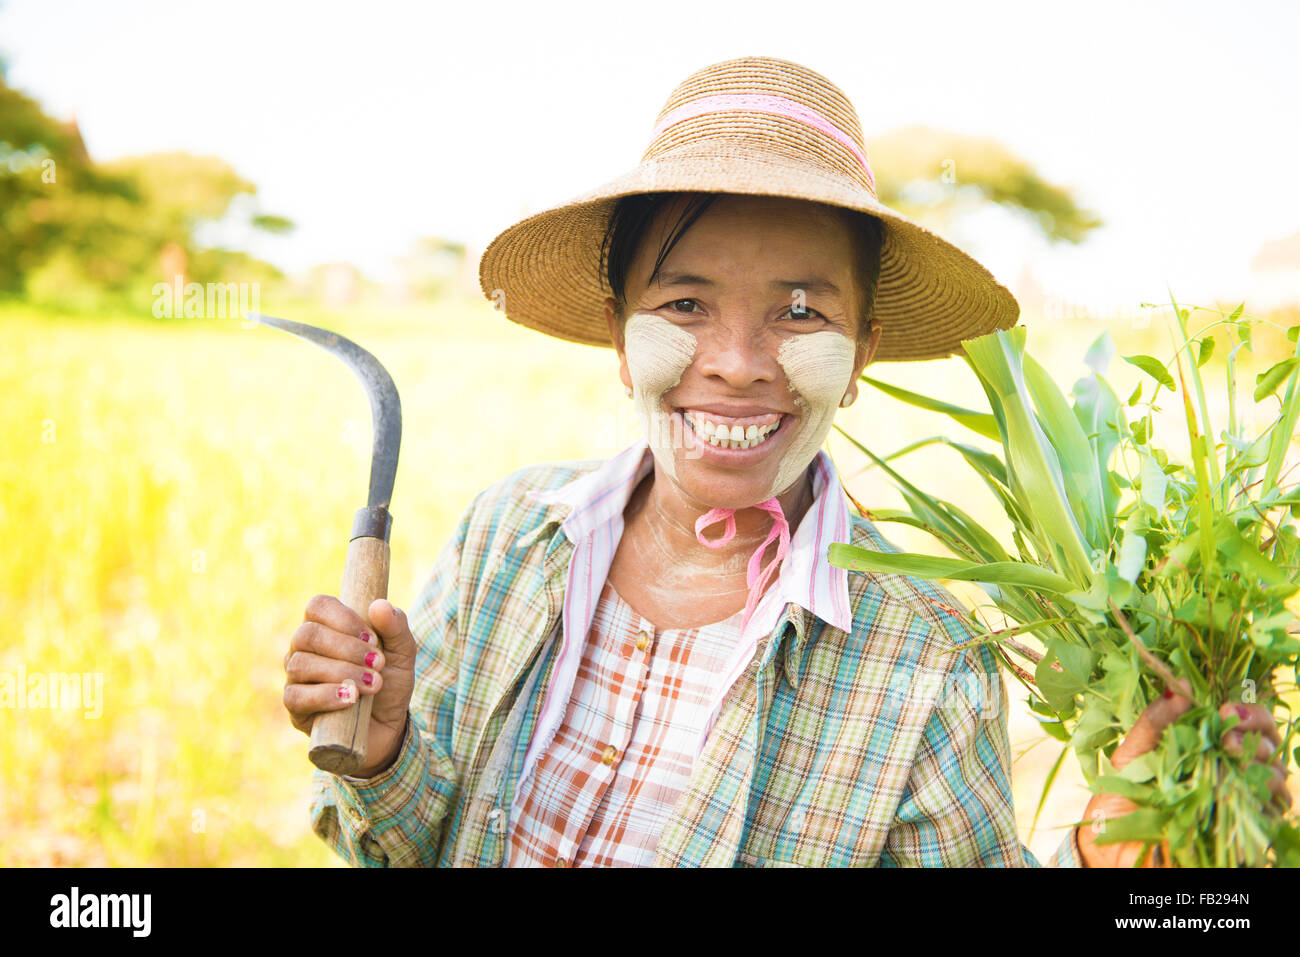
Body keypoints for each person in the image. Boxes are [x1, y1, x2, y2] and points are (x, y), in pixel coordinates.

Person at [282, 56, 1290, 867]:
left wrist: (1098, 853)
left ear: (860, 352)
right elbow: (409, 843)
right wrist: (379, 755)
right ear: (615, 331)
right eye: (683, 305)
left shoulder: (929, 655)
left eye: (800, 312)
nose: (734, 363)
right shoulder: (508, 534)